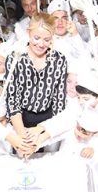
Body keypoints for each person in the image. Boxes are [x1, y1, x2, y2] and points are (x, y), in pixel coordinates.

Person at [4, 13, 68, 150]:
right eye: (37, 38)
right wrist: (23, 138)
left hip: (49, 122)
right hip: (21, 119)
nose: (41, 44)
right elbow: (12, 100)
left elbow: (59, 101)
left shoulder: (59, 60)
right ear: (28, 33)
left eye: (46, 39)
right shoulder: (15, 59)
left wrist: (44, 134)